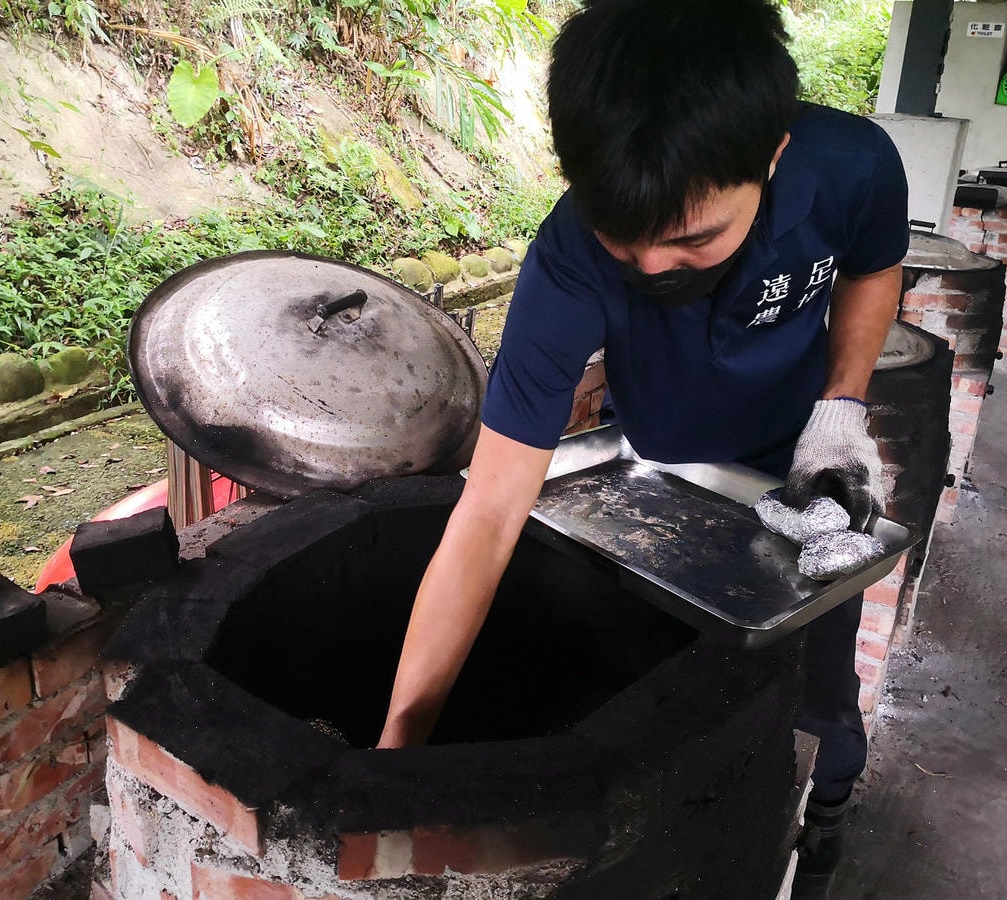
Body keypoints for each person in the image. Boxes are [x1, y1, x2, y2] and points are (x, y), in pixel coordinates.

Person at [378, 0, 908, 895]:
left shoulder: (852, 167)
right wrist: (393, 754)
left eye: (694, 238)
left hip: (798, 463)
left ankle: (826, 814)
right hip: (661, 473)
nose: (656, 268)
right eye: (625, 244)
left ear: (772, 155)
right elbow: (491, 508)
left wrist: (842, 406)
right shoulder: (565, 261)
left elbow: (872, 268)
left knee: (817, 689)